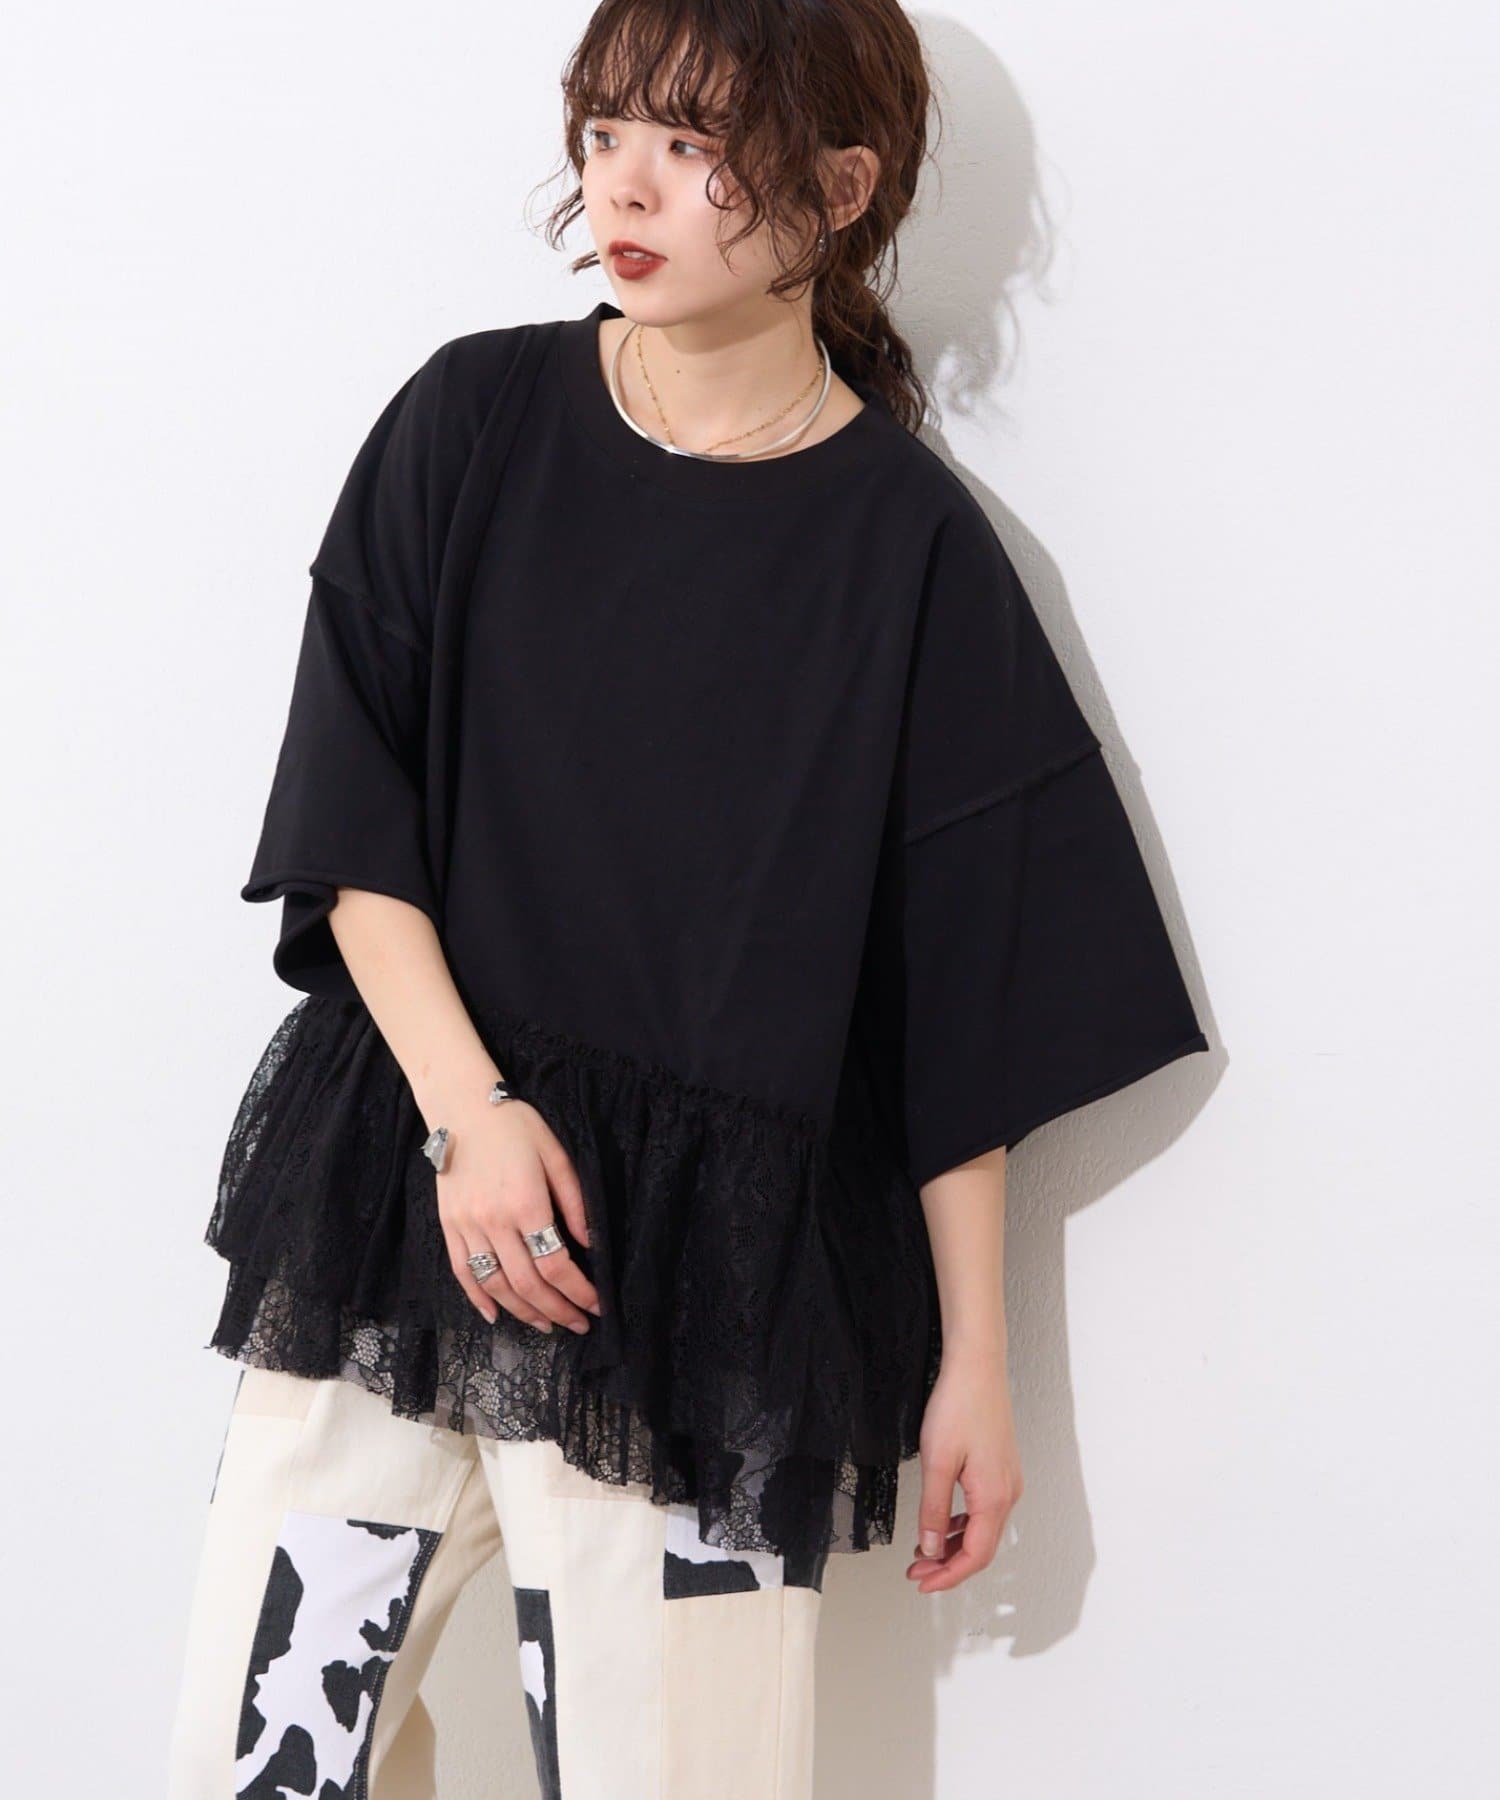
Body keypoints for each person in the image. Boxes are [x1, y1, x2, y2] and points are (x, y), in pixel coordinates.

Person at [167, 2, 1209, 1794]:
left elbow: (962, 992)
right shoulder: (472, 420)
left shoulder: (912, 551)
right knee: (253, 1766)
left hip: (704, 1315)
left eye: (692, 145)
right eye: (604, 133)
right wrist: (470, 1115)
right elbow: (351, 818)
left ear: (840, 189)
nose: (625, 187)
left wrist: (978, 1364)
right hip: (400, 1231)